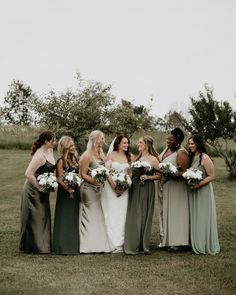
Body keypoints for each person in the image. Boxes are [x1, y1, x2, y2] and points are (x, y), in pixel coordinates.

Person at [20, 130, 56, 254]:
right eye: (53, 140)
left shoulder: (50, 151)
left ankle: (44, 243)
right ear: (46, 141)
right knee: (34, 217)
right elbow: (28, 174)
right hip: (33, 190)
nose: (54, 142)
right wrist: (39, 188)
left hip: (44, 187)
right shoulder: (40, 155)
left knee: (43, 216)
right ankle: (34, 246)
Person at [79, 130, 114, 253]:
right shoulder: (88, 155)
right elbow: (82, 174)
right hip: (88, 189)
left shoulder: (101, 154)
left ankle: (97, 243)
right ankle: (87, 245)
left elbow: (105, 171)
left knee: (97, 215)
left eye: (103, 138)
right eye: (102, 138)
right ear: (95, 140)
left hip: (97, 189)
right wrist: (94, 182)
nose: (104, 141)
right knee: (90, 215)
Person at [124, 136, 159, 255]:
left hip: (147, 188)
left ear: (147, 144)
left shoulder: (153, 159)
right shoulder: (136, 158)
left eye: (140, 142)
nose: (138, 144)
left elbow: (160, 175)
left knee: (144, 214)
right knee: (135, 213)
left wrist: (148, 177)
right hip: (135, 187)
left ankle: (142, 244)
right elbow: (131, 173)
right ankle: (134, 242)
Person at [157, 127, 189, 251]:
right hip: (166, 187)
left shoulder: (181, 153)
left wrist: (169, 175)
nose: (168, 141)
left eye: (171, 140)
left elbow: (184, 172)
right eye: (167, 139)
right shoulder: (167, 149)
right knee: (167, 213)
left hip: (177, 187)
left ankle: (179, 242)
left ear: (178, 140)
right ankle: (169, 240)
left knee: (177, 213)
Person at [187, 134, 220, 255]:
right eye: (189, 143)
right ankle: (196, 242)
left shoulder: (204, 157)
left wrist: (199, 184)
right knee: (195, 216)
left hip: (203, 191)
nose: (190, 145)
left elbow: (212, 176)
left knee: (203, 216)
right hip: (193, 191)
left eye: (192, 143)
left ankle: (204, 244)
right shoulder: (192, 157)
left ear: (198, 144)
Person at [101, 135, 132, 252]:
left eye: (127, 143)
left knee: (122, 214)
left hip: (124, 190)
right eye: (124, 143)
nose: (126, 145)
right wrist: (114, 187)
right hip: (111, 188)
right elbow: (106, 172)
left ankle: (121, 242)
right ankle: (112, 242)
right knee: (112, 212)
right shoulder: (111, 155)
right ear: (118, 143)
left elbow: (130, 173)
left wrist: (124, 188)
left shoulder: (129, 156)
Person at [52, 136, 80, 255]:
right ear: (65, 147)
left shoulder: (75, 159)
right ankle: (62, 246)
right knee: (65, 218)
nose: (73, 147)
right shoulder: (61, 161)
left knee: (74, 218)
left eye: (73, 145)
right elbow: (59, 178)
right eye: (71, 146)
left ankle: (73, 245)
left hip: (76, 192)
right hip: (65, 194)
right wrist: (68, 189)